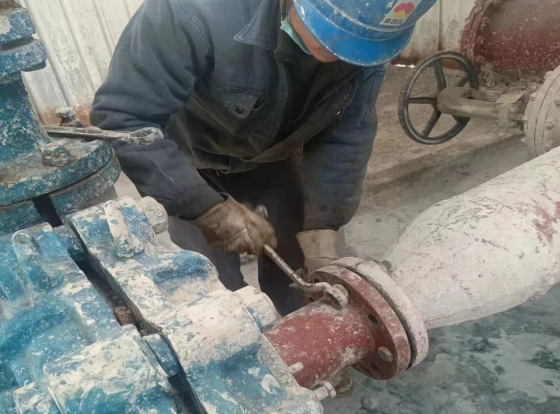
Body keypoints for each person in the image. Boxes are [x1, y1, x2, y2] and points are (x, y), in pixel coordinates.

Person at [91, 0, 437, 317]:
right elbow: (125, 119)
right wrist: (198, 206)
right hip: (189, 164)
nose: (339, 53)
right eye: (335, 33)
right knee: (215, 289)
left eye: (358, 44)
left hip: (275, 160)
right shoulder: (190, 10)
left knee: (304, 274)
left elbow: (345, 135)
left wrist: (324, 227)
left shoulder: (368, 50)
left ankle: (305, 336)